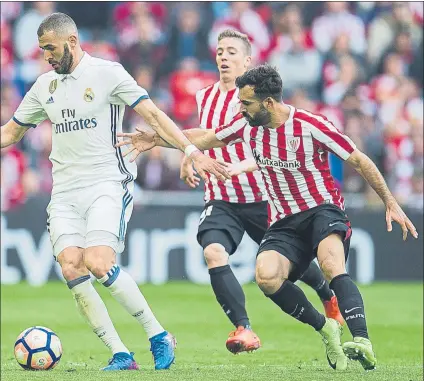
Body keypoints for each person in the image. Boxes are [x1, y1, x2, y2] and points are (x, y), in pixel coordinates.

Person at [116, 64, 418, 371]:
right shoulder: (247, 126)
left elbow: (358, 158)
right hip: (284, 220)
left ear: (269, 103)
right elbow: (205, 137)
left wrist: (390, 202)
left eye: (246, 103)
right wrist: (155, 138)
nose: (241, 108)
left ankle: (362, 341)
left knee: (330, 264)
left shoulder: (311, 124)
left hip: (321, 209)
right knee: (266, 276)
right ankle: (326, 328)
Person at [0, 12, 229, 371]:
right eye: (42, 49)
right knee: (72, 267)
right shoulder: (44, 86)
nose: (45, 55)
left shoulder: (108, 74)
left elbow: (153, 115)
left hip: (107, 182)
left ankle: (157, 334)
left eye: (50, 48)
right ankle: (121, 353)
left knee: (98, 261)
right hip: (64, 192)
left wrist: (189, 150)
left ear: (72, 42)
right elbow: (10, 133)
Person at [175, 29, 344, 354]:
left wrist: (242, 166)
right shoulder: (204, 96)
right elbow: (203, 138)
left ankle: (326, 293)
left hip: (263, 197)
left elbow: (275, 147)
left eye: (231, 52)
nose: (223, 56)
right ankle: (244, 328)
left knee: (293, 263)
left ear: (247, 60)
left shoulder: (258, 102)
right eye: (220, 50)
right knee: (213, 253)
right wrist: (188, 156)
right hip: (221, 196)